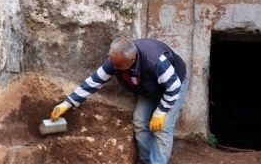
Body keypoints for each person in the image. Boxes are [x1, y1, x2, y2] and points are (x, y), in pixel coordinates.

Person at [50, 37, 188, 164]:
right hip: (149, 86)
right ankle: (147, 161)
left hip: (173, 85)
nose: (114, 69)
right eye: (113, 64)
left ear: (132, 60)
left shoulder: (155, 61)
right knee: (140, 120)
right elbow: (94, 82)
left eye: (118, 66)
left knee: (162, 128)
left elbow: (173, 87)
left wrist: (161, 111)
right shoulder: (115, 61)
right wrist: (67, 103)